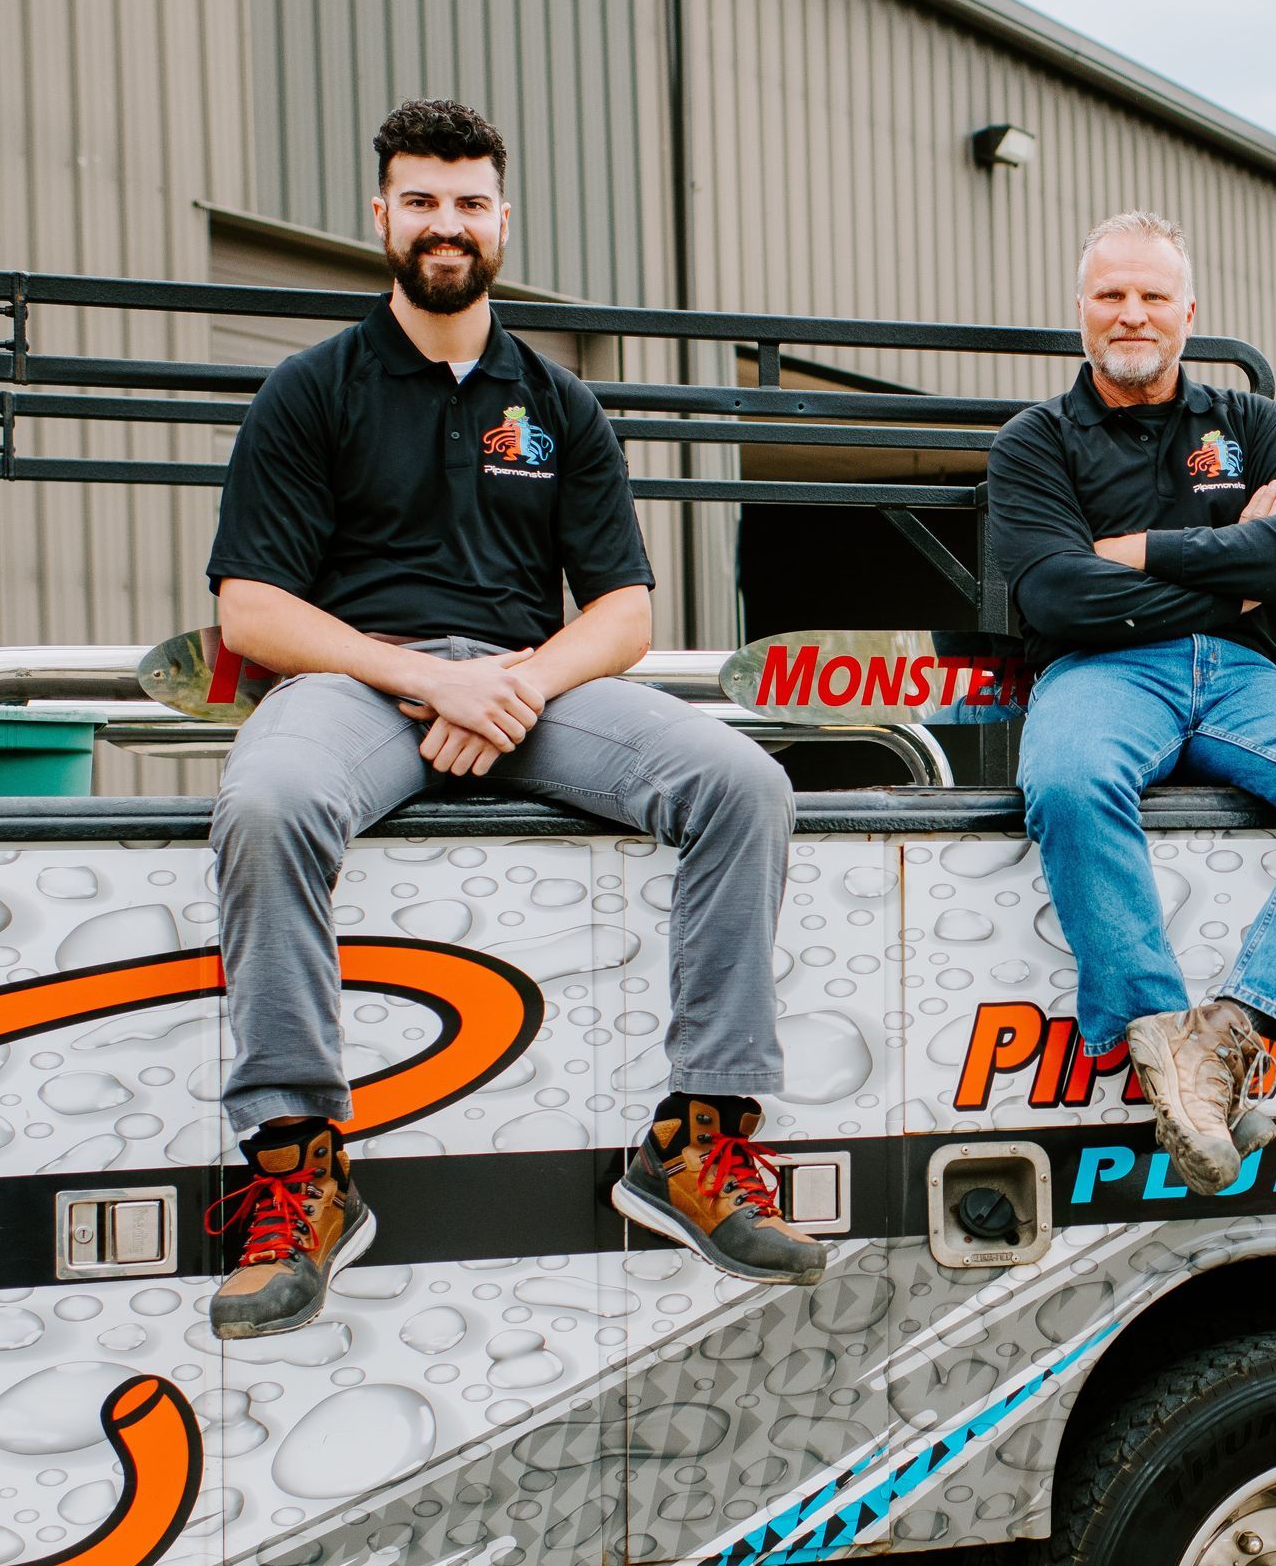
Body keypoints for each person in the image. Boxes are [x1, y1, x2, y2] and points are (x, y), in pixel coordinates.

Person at [201, 98, 815, 1339]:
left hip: (531, 688)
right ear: (381, 216)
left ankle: (696, 1141)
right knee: (265, 805)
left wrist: (516, 685)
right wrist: (431, 682)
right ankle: (300, 1165)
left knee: (745, 783)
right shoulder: (311, 390)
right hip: (359, 689)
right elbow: (250, 609)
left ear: (503, 219)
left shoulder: (557, 402)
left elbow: (625, 612)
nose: (448, 223)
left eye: (470, 202)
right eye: (422, 201)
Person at [989, 210, 1276, 1195]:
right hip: (1101, 671)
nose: (1132, 313)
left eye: (1153, 294)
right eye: (1112, 294)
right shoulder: (1035, 442)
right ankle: (1159, 1034)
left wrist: (1142, 552)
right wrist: (1237, 576)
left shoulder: (1250, 423)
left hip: (1241, 678)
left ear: (1188, 311)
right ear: (1081, 309)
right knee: (1068, 779)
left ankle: (1230, 1035)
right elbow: (1056, 595)